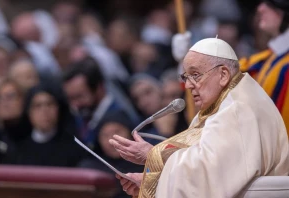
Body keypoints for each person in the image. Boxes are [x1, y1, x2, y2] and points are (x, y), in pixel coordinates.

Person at [109, 38, 289, 197]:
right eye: (186, 76)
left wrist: (152, 155)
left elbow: (208, 175)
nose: (187, 85)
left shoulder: (237, 110)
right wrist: (153, 184)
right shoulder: (223, 103)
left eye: (195, 75)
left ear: (224, 75)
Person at [172, 0, 289, 134]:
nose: (261, 8)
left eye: (271, 4)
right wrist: (187, 62)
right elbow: (218, 78)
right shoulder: (266, 59)